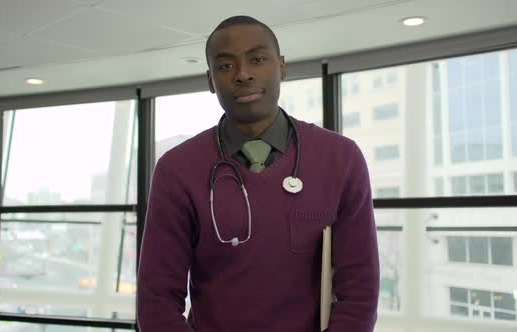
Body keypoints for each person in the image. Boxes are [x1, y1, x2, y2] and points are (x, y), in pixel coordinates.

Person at [137, 15, 379, 332]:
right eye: (225, 66)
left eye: (258, 59)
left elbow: (359, 290)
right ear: (210, 81)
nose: (243, 74)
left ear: (282, 66)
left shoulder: (341, 158)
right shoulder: (177, 169)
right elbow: (156, 303)